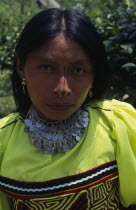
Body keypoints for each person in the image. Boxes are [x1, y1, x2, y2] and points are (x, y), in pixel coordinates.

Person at [0, 8, 136, 210]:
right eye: (47, 67)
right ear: (21, 68)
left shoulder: (119, 125)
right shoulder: (3, 139)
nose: (62, 88)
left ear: (94, 74)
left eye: (78, 70)